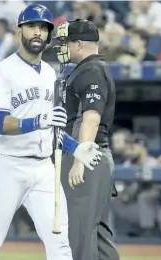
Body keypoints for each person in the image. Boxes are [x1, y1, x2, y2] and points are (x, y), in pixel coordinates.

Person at [0, 5, 102, 260]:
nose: (38, 32)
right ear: (20, 31)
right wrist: (37, 120)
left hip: (43, 170)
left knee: (60, 243)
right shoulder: (2, 72)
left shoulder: (50, 73)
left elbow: (52, 126)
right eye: (32, 26)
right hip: (8, 166)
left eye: (43, 28)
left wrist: (75, 148)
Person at [54, 19, 120, 260]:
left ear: (79, 44)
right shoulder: (92, 68)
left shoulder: (90, 70)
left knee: (78, 234)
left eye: (66, 42)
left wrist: (80, 159)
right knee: (97, 235)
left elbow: (91, 117)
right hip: (96, 157)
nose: (62, 47)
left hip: (87, 157)